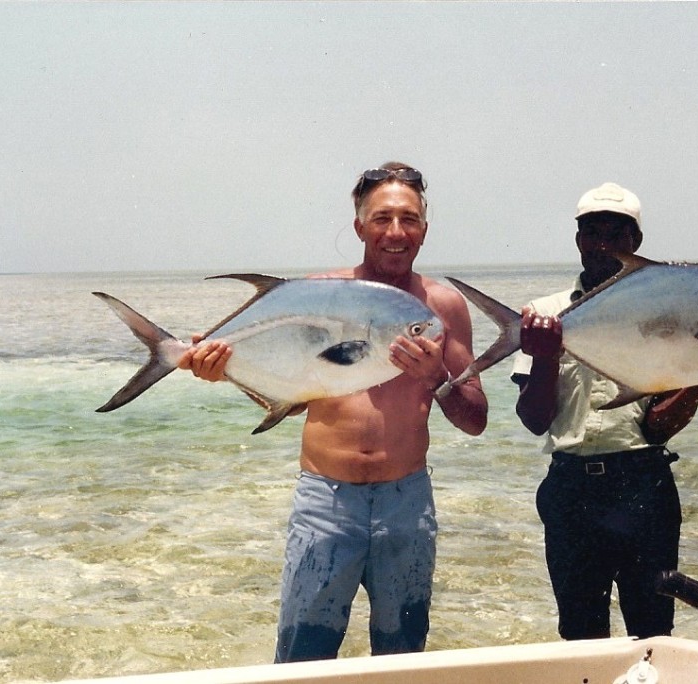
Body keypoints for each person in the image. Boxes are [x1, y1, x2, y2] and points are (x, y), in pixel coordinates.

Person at [179, 162, 488, 661]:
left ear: (424, 231)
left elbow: (475, 419)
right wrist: (217, 368)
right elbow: (293, 394)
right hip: (325, 502)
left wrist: (435, 379)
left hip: (405, 504)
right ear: (359, 226)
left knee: (403, 658)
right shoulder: (317, 293)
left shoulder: (442, 308)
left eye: (408, 219)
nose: (395, 232)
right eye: (381, 218)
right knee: (303, 659)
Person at [510, 182, 698, 640]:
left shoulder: (670, 316)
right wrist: (545, 355)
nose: (603, 244)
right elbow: (533, 420)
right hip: (570, 492)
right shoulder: (544, 315)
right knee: (580, 637)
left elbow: (656, 428)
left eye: (616, 233)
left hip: (643, 488)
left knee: (653, 634)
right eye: (592, 232)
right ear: (578, 240)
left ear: (636, 243)